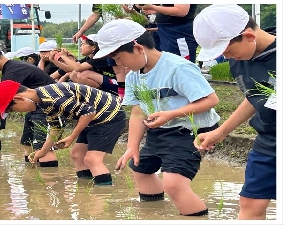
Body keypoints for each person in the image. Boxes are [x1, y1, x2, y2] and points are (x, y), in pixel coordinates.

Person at [93, 19, 220, 216]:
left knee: (174, 184)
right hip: (160, 128)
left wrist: (171, 114)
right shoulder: (135, 74)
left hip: (189, 130)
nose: (118, 64)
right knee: (140, 168)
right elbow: (137, 112)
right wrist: (132, 146)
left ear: (137, 48)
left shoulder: (177, 68)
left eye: (118, 58)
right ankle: (153, 214)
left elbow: (211, 100)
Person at [192, 4, 276, 220]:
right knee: (250, 202)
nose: (228, 57)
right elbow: (254, 97)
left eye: (228, 51)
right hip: (267, 141)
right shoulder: (239, 60)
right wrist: (219, 133)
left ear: (248, 36)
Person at [0, 80, 126, 186]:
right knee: (77, 154)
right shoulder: (43, 101)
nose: (20, 112)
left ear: (18, 99)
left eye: (14, 110)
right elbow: (55, 127)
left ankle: (103, 196)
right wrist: (42, 152)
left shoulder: (52, 98)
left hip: (109, 115)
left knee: (92, 159)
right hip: (94, 118)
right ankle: (87, 191)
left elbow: (89, 111)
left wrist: (72, 137)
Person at [0, 41, 59, 167]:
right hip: (35, 108)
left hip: (47, 108)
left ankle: (50, 182)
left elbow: (1, 107)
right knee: (27, 142)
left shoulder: (12, 73)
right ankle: (31, 180)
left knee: (43, 148)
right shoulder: (13, 68)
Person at [73, 4, 127, 99]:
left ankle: (130, 94)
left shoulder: (98, 57)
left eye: (83, 44)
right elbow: (96, 14)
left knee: (128, 66)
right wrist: (81, 31)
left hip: (126, 34)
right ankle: (122, 95)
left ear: (94, 46)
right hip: (111, 38)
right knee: (117, 68)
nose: (81, 46)